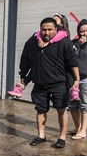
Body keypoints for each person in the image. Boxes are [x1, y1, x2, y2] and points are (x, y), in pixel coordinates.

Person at [17, 17, 80, 148]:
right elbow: (25, 59)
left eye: (50, 30)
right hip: (40, 83)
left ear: (56, 29)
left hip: (59, 83)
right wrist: (23, 75)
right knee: (40, 110)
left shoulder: (64, 42)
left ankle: (62, 138)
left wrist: (77, 80)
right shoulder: (32, 42)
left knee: (61, 110)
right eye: (44, 29)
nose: (46, 32)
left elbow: (73, 62)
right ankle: (41, 136)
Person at [8, 13, 71, 98]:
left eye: (55, 22)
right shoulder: (38, 36)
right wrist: (23, 73)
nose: (47, 31)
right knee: (36, 65)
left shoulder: (63, 38)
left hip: (57, 77)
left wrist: (48, 42)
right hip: (41, 73)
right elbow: (27, 53)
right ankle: (21, 86)